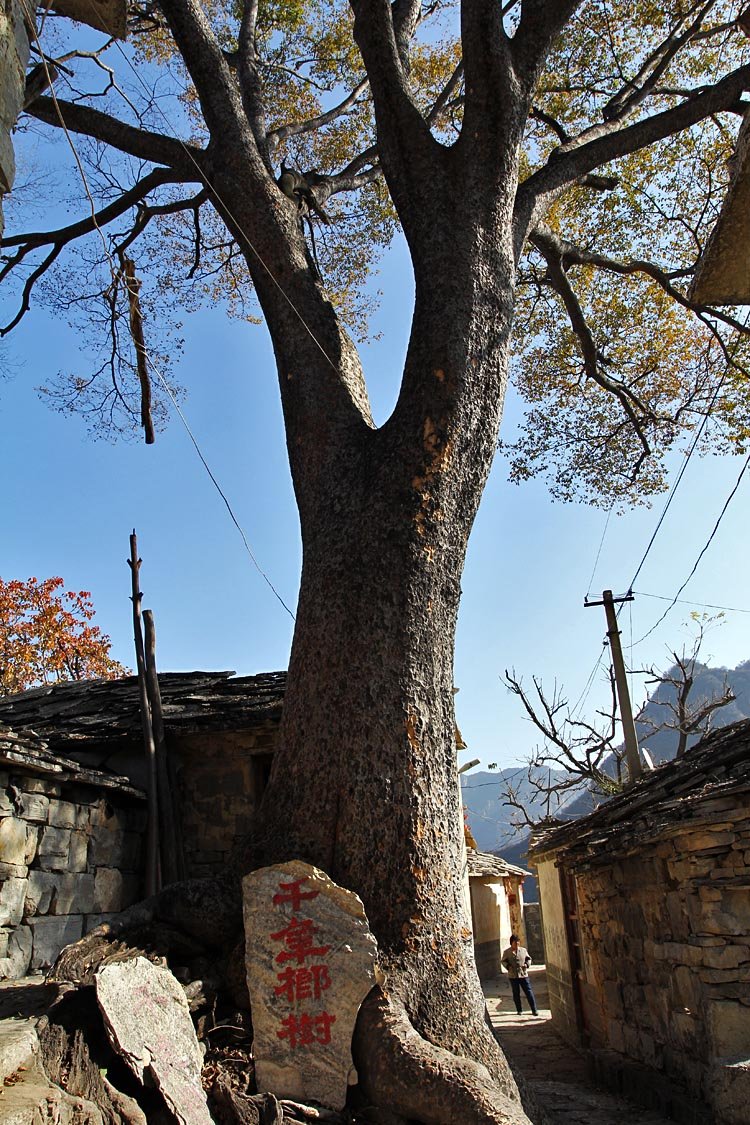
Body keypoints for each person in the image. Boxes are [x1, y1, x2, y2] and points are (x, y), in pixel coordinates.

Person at [501, 933, 539, 1016]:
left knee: (529, 992)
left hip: (523, 974)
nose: (517, 945)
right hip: (513, 976)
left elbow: (528, 959)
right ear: (511, 943)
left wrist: (527, 965)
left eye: (518, 943)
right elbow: (503, 961)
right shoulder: (507, 952)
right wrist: (508, 966)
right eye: (515, 943)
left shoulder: (523, 950)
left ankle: (534, 1009)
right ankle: (519, 1010)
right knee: (516, 993)